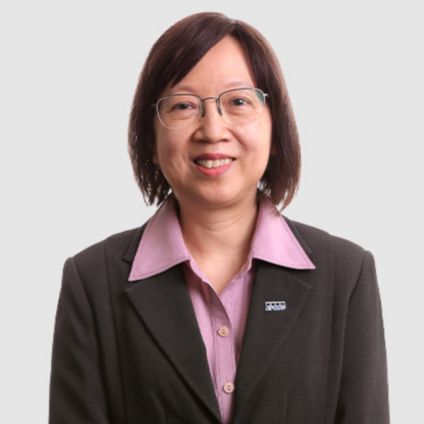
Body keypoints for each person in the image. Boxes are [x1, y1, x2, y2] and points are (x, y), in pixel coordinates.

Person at [48, 12, 390, 424]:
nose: (212, 130)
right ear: (151, 139)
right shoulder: (91, 282)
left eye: (238, 102)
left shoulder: (346, 275)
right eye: (183, 105)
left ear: (276, 129)